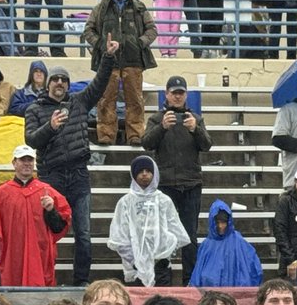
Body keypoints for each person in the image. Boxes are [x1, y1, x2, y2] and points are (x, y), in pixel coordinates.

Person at [23, 38, 119, 286]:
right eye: (55, 79)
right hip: (50, 178)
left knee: (84, 235)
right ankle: (44, 280)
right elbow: (31, 140)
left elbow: (99, 84)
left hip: (78, 175)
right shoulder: (34, 109)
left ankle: (81, 282)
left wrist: (108, 57)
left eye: (63, 80)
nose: (59, 83)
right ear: (47, 83)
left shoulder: (78, 102)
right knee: (45, 235)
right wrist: (51, 127)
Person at [143, 75, 212, 284]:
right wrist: (162, 127)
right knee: (163, 234)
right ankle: (163, 279)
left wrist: (195, 129)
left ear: (185, 95)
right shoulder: (156, 118)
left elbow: (207, 145)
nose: (177, 97)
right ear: (166, 94)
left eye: (181, 93)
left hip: (191, 184)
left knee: (189, 236)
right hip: (165, 185)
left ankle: (189, 280)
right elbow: (146, 143)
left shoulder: (196, 118)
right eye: (174, 93)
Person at [0, 143, 71, 288]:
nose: (27, 163)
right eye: (23, 160)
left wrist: (51, 210)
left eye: (30, 160)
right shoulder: (2, 193)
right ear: (14, 163)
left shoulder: (47, 191)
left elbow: (59, 227)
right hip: (13, 253)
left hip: (40, 252)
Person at [83, 0, 156, 147]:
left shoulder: (138, 6)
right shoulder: (100, 8)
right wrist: (101, 45)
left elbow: (152, 30)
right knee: (106, 99)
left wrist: (139, 43)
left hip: (134, 61)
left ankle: (136, 134)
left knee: (135, 100)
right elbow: (88, 30)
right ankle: (106, 135)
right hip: (108, 61)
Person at [107, 155, 188, 287]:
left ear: (154, 173)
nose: (144, 174)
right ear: (134, 174)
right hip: (135, 267)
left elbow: (176, 230)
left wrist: (165, 254)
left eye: (148, 171)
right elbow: (119, 234)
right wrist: (133, 259)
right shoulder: (125, 202)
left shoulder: (164, 200)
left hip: (161, 265)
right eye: (140, 171)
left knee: (162, 304)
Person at [190, 200, 262, 287]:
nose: (220, 226)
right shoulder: (206, 245)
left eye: (223, 222)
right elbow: (197, 274)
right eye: (217, 223)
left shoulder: (238, 241)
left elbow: (253, 266)